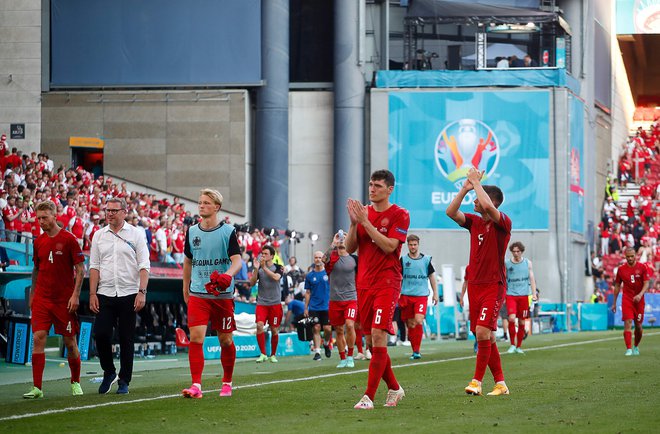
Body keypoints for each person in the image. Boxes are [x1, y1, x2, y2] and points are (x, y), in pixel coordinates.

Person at [346, 169, 409, 409]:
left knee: (379, 335)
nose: (372, 189)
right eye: (371, 184)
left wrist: (365, 223)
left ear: (390, 189)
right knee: (372, 342)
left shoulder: (400, 214)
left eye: (378, 186)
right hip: (363, 283)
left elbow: (390, 247)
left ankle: (368, 397)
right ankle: (394, 388)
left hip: (387, 282)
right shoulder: (364, 213)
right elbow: (351, 247)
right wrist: (354, 225)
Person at [446, 167, 511, 396]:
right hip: (474, 285)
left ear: (490, 201)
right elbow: (451, 212)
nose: (474, 199)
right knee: (485, 335)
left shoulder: (502, 223)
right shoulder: (474, 222)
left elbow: (490, 209)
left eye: (478, 195)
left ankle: (476, 381)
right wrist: (465, 188)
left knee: (483, 333)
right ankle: (501, 383)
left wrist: (476, 182)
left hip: (494, 285)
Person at [181, 189, 242, 398]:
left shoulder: (228, 232)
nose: (201, 206)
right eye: (200, 202)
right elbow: (188, 262)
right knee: (196, 338)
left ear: (217, 207)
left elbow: (237, 261)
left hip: (222, 295)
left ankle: (227, 382)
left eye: (206, 202)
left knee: (225, 340)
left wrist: (228, 275)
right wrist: (185, 287)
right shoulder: (191, 232)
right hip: (198, 293)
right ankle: (196, 385)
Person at [23, 201, 85, 399]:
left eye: (45, 218)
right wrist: (33, 294)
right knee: (38, 338)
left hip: (63, 300)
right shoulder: (38, 241)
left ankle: (75, 382)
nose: (41, 222)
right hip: (42, 297)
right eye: (38, 218)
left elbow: (80, 270)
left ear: (55, 216)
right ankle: (37, 388)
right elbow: (36, 269)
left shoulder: (69, 239)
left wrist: (75, 295)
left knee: (69, 342)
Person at [89, 197, 150, 395]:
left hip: (129, 293)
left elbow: (144, 266)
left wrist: (141, 292)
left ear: (124, 212)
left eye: (114, 210)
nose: (109, 214)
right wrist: (92, 293)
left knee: (126, 338)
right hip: (105, 292)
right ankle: (109, 371)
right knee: (101, 334)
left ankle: (124, 380)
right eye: (107, 210)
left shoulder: (136, 234)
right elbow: (94, 266)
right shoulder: (98, 235)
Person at [400, 234, 439, 360]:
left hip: (421, 295)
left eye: (415, 244)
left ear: (418, 244)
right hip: (406, 295)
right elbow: (397, 277)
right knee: (410, 324)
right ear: (408, 245)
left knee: (418, 319)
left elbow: (432, 276)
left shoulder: (426, 260)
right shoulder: (403, 260)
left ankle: (417, 350)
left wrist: (435, 293)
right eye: (410, 244)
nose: (413, 247)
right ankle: (415, 350)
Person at [324, 230, 358, 369]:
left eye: (345, 237)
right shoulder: (332, 257)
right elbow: (323, 260)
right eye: (340, 237)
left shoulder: (354, 259)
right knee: (338, 330)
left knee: (349, 325)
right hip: (335, 300)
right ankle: (342, 358)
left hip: (351, 299)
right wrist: (333, 243)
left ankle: (350, 356)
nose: (342, 239)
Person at [249, 244, 284, 363]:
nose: (263, 256)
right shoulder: (259, 268)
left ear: (272, 256)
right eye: (262, 254)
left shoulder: (279, 267)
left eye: (265, 254)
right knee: (259, 325)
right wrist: (255, 269)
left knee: (274, 329)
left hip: (275, 303)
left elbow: (276, 277)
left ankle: (273, 354)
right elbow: (252, 283)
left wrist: (263, 268)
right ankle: (263, 353)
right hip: (262, 303)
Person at [612, 247, 650, 356]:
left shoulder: (642, 267)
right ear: (625, 256)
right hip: (627, 299)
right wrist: (614, 302)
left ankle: (636, 346)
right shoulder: (621, 269)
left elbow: (646, 283)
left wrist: (640, 295)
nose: (630, 258)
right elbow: (617, 286)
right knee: (627, 322)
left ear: (635, 256)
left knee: (638, 326)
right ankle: (628, 349)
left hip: (639, 301)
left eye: (632, 256)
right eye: (628, 257)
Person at [505, 241, 538, 354]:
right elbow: (503, 279)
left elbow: (532, 278)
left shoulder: (528, 263)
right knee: (511, 318)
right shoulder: (507, 264)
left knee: (522, 322)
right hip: (511, 295)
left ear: (521, 251)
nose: (516, 253)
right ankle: (512, 345)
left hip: (524, 296)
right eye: (514, 251)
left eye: (518, 251)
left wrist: (534, 294)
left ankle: (519, 346)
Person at [304, 251, 332, 361]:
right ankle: (317, 352)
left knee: (327, 329)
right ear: (313, 259)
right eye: (316, 257)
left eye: (320, 257)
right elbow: (307, 292)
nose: (318, 259)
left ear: (323, 259)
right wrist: (306, 307)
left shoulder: (328, 273)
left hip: (327, 306)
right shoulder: (310, 275)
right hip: (314, 307)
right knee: (316, 328)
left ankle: (325, 343)